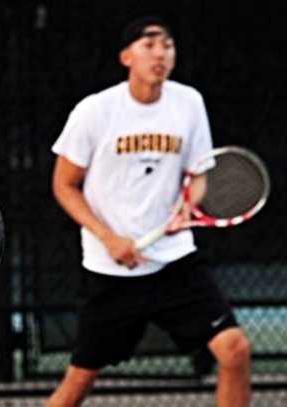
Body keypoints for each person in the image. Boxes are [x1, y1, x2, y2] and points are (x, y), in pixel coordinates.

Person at [45, 17, 251, 407]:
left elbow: (199, 175)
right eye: (149, 44)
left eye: (168, 45)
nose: (160, 53)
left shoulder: (189, 103)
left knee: (234, 350)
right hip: (111, 272)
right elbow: (64, 185)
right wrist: (109, 238)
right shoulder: (95, 111)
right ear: (126, 57)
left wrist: (187, 207)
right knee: (75, 387)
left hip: (175, 263)